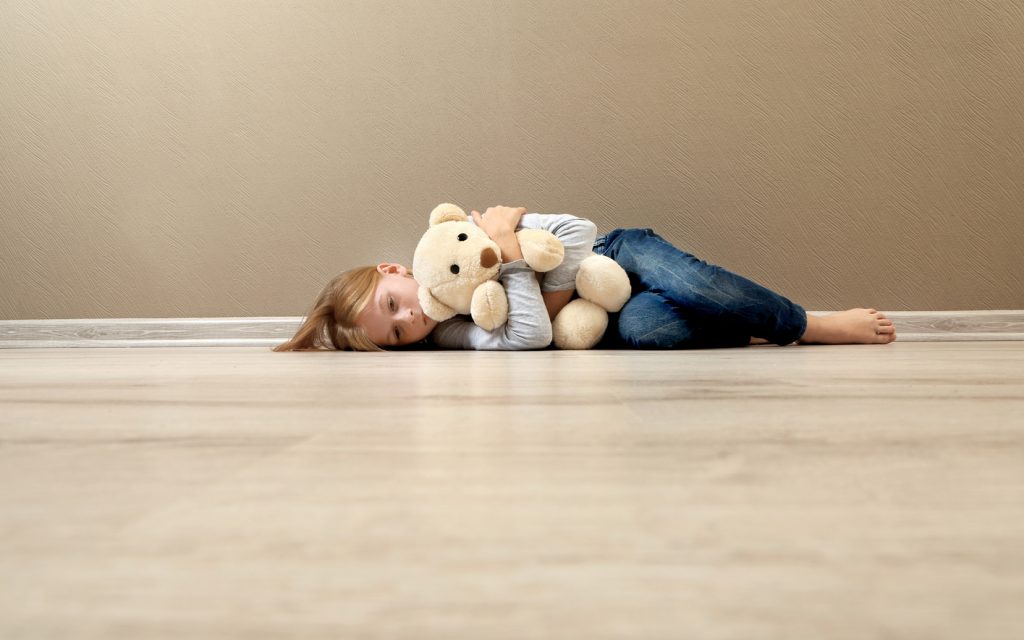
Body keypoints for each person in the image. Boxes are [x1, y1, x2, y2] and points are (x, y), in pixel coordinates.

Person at [272, 206, 896, 352]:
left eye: (393, 304)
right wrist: (513, 255)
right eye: (398, 335)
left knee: (693, 285)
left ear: (394, 270)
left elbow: (576, 230)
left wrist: (501, 243)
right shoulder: (449, 334)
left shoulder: (465, 238)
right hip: (604, 322)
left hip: (617, 254)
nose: (411, 319)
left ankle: (807, 324)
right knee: (654, 330)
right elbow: (530, 340)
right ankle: (747, 324)